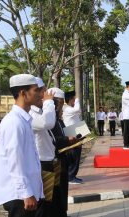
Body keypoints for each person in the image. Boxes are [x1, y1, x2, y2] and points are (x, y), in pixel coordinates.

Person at [0, 74, 44, 217]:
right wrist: (27, 193)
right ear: (23, 93)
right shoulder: (14, 122)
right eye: (36, 90)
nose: (40, 94)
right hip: (19, 196)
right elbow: (14, 162)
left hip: (25, 193)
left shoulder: (24, 120)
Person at [30, 78, 57, 217]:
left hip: (46, 161)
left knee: (47, 202)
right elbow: (48, 123)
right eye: (43, 91)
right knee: (42, 205)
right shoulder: (31, 114)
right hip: (40, 162)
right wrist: (48, 103)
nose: (46, 94)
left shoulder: (39, 111)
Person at [49, 87, 77, 216]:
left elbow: (65, 132)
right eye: (59, 103)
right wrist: (68, 140)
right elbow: (54, 140)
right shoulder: (49, 121)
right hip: (54, 161)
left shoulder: (58, 120)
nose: (60, 106)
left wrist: (78, 135)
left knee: (62, 191)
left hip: (63, 159)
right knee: (56, 194)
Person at [62, 90, 83, 184]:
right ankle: (70, 177)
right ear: (70, 99)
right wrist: (78, 100)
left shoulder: (70, 108)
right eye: (74, 99)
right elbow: (77, 110)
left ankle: (73, 175)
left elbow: (78, 112)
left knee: (77, 155)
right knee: (73, 155)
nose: (75, 100)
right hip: (71, 133)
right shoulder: (66, 108)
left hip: (76, 132)